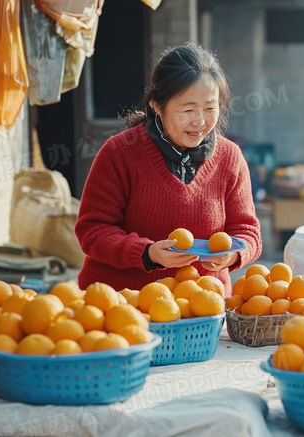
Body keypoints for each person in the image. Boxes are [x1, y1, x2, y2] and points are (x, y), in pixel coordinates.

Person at [75, 43, 262, 295]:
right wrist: (147, 253)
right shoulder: (120, 153)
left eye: (210, 108)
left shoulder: (230, 158)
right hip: (122, 307)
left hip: (201, 306)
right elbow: (93, 230)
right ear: (156, 106)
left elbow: (247, 231)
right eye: (188, 109)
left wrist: (234, 255)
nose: (199, 121)